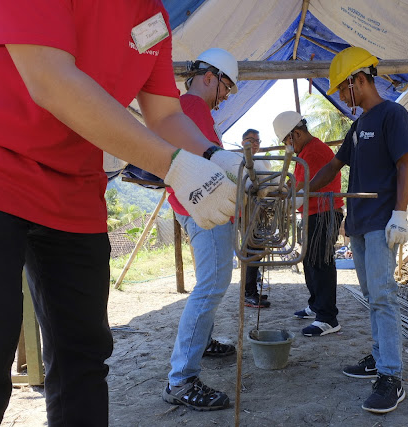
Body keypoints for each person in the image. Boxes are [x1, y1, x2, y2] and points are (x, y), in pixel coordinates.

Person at [0, 3, 244, 426]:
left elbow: (164, 114)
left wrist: (216, 156)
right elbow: (49, 79)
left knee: (83, 359)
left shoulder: (151, 15)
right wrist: (174, 166)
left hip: (73, 183)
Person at [308, 47, 408, 413]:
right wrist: (302, 191)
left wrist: (400, 214)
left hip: (382, 220)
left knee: (384, 296)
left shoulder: (392, 115)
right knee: (373, 296)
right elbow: (334, 167)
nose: (341, 96)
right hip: (357, 223)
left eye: (342, 88)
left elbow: (405, 165)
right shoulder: (358, 127)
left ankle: (391, 376)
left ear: (358, 80)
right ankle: (378, 356)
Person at [161, 48, 241, 411]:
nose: (225, 96)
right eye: (226, 87)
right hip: (204, 210)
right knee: (211, 286)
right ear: (210, 76)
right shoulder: (193, 108)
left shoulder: (188, 110)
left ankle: (203, 343)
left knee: (209, 284)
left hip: (195, 207)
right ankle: (181, 379)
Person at [273, 111, 344, 337]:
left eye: (286, 140)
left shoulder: (313, 152)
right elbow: (297, 185)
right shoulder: (305, 152)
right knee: (311, 261)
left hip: (324, 213)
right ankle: (316, 306)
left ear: (296, 134)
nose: (287, 145)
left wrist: (285, 196)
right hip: (313, 213)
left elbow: (302, 188)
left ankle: (328, 318)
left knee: (321, 262)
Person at [241, 128, 272, 309]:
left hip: (256, 211)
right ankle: (248, 294)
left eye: (257, 141)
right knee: (251, 249)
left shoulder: (259, 163)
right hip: (246, 212)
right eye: (250, 139)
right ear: (242, 142)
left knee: (255, 249)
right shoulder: (240, 162)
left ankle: (251, 289)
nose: (253, 143)